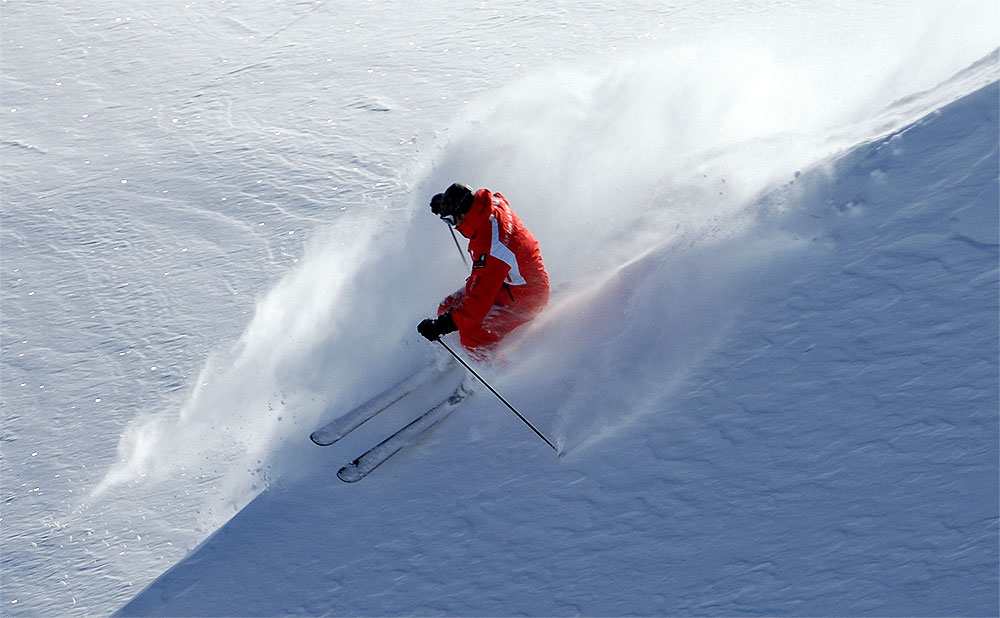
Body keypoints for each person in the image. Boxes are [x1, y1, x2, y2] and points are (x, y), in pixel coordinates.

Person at [417, 183, 550, 360]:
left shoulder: (491, 248)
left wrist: (442, 326)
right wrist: (447, 204)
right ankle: (462, 353)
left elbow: (479, 302)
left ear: (462, 214)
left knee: (471, 337)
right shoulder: (490, 205)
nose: (454, 226)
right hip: (506, 283)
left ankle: (495, 368)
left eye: (451, 220)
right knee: (446, 307)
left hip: (526, 298)